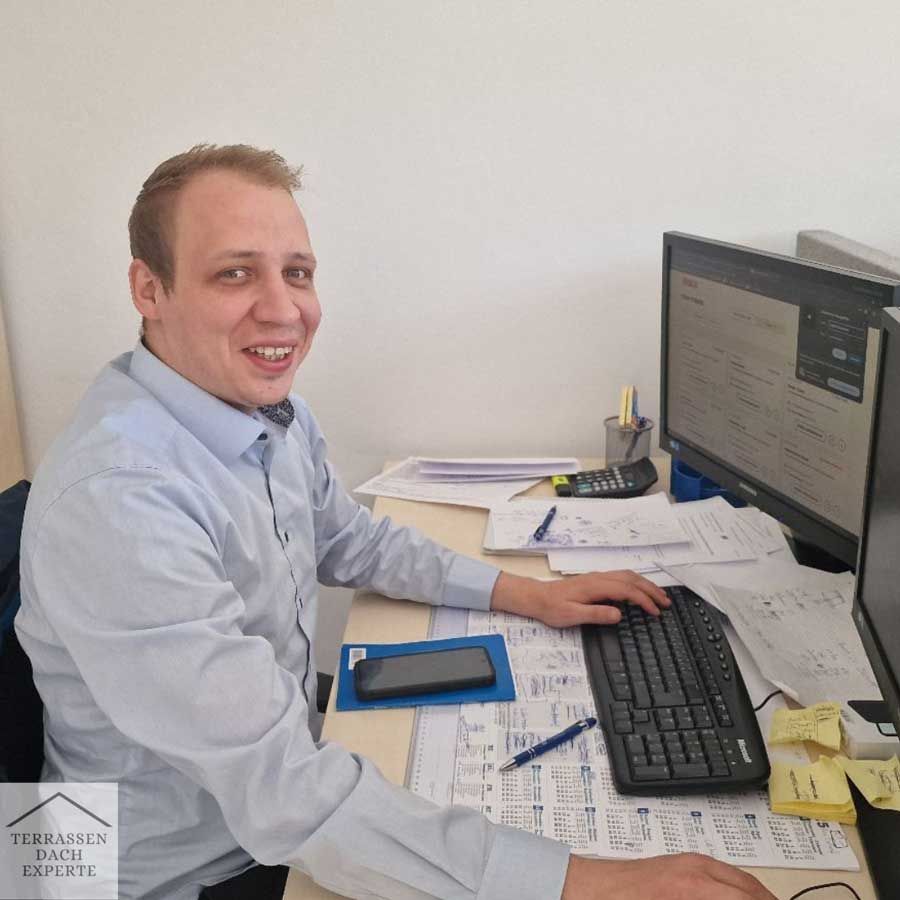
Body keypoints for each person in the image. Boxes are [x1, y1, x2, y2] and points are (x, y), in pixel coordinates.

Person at [16, 144, 776, 900]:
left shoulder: (259, 410)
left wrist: (522, 593)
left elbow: (349, 538)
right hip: (164, 868)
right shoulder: (119, 501)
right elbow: (284, 794)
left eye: (298, 272)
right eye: (234, 273)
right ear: (150, 289)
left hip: (247, 794)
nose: (284, 309)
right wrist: (582, 882)